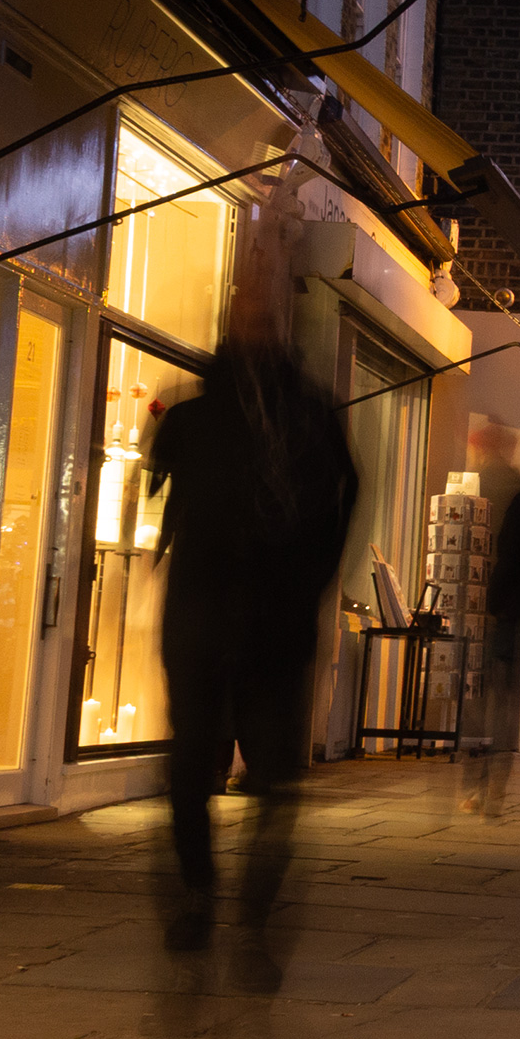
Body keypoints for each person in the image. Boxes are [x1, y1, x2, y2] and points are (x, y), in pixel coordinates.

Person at [147, 339, 359, 956]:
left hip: (261, 623)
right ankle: (205, 894)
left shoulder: (307, 420)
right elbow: (164, 494)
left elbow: (345, 493)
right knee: (200, 762)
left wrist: (315, 577)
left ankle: (239, 902)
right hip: (215, 618)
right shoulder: (200, 419)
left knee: (258, 771)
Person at [462, 474, 520, 814]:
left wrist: (508, 607)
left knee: (494, 700)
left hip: (499, 614)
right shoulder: (505, 493)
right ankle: (482, 785)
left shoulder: (519, 497)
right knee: (483, 701)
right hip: (489, 611)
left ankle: (490, 785)